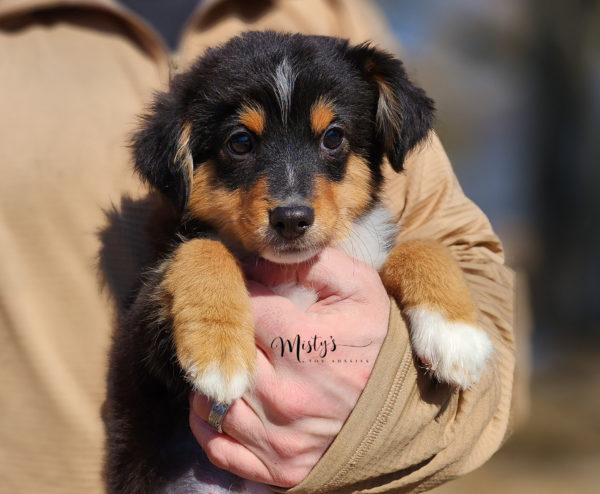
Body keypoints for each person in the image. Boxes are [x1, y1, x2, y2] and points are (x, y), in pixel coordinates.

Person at [0, 0, 516, 493]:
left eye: (332, 140)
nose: (292, 202)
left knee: (420, 257)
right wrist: (204, 280)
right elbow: (158, 342)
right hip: (152, 473)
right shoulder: (202, 259)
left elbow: (467, 253)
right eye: (240, 144)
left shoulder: (330, 12)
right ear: (183, 165)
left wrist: (386, 410)